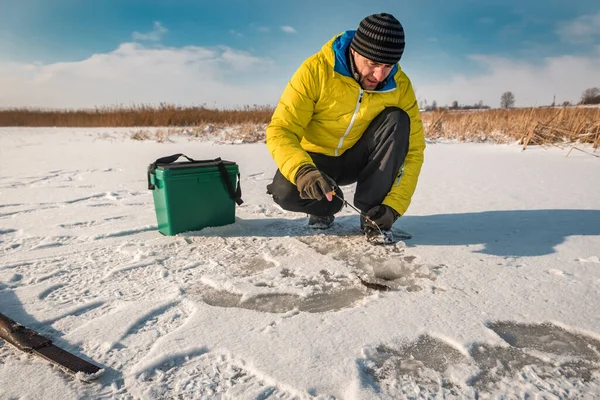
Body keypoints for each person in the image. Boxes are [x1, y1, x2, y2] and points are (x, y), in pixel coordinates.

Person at [265, 13, 425, 242]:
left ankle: (374, 218)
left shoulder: (400, 86)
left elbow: (413, 150)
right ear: (354, 51)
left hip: (357, 159)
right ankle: (323, 208)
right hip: (316, 160)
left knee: (397, 120)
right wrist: (303, 171)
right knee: (285, 193)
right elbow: (281, 129)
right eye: (373, 63)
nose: (379, 75)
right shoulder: (316, 70)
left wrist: (393, 206)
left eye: (388, 66)